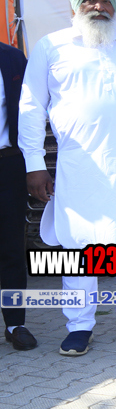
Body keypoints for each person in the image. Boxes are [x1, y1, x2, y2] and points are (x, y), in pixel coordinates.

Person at [19, 0, 116, 355]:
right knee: (79, 246)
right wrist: (34, 164)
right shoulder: (51, 47)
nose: (98, 6)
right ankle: (80, 324)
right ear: (76, 2)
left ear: (115, 4)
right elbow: (30, 109)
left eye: (105, 0)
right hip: (78, 168)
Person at [0, 39, 34, 351]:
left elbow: (29, 110)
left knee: (11, 248)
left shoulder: (12, 58)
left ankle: (15, 324)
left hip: (7, 164)